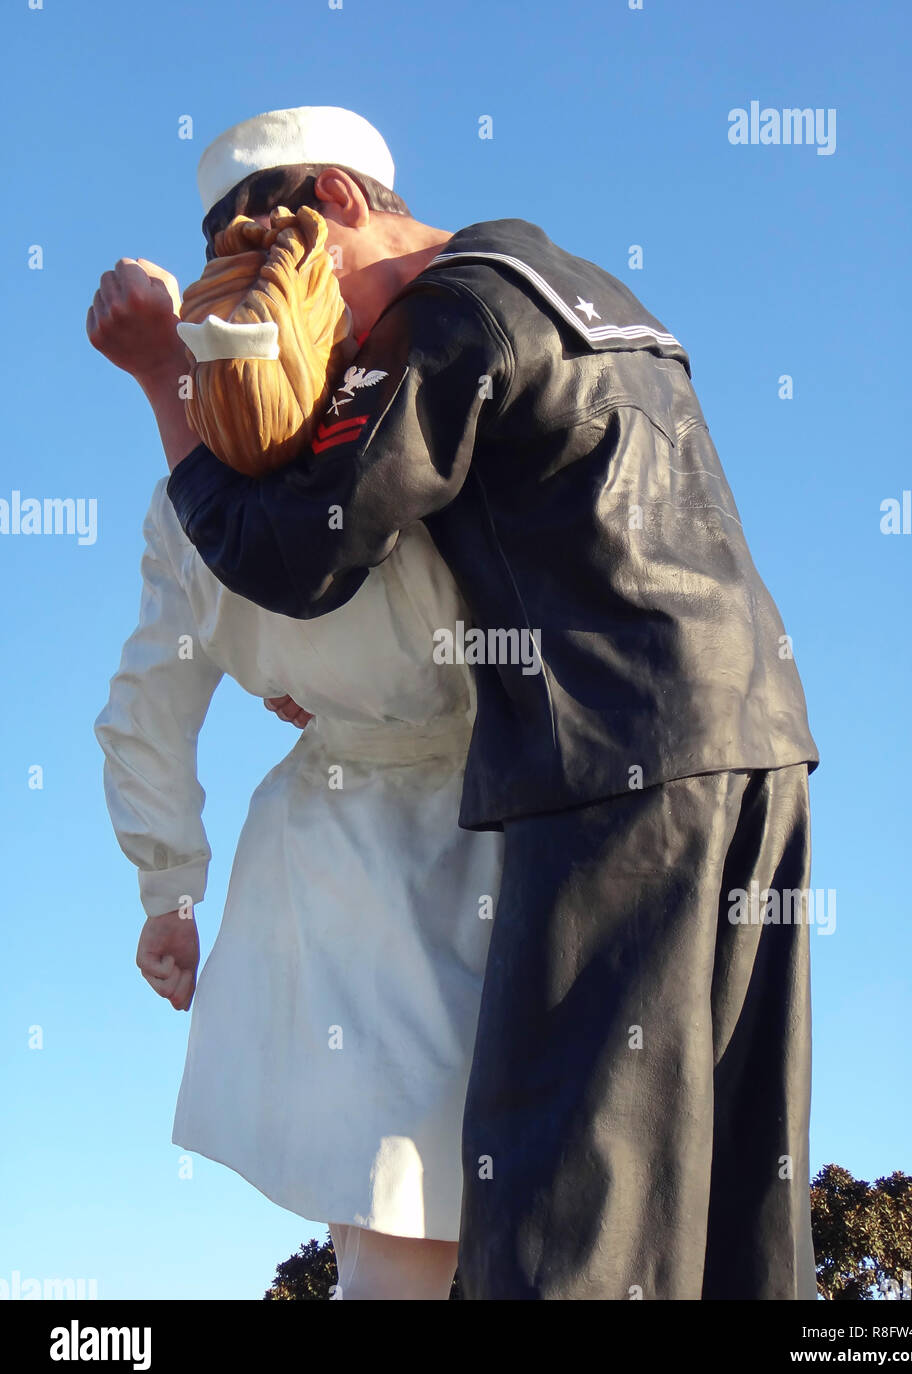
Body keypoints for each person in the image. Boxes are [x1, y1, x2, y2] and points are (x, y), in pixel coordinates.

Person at [119, 105, 822, 1300]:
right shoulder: (581, 285)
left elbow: (303, 550)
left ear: (340, 204)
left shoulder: (446, 320)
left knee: (568, 1204)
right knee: (735, 1196)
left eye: (305, 290)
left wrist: (171, 398)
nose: (318, 338)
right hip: (758, 747)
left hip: (607, 770)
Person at [88, 138, 505, 1301]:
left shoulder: (204, 488)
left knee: (409, 1224)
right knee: (429, 1210)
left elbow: (148, 705)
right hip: (457, 840)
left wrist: (168, 891)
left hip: (403, 850)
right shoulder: (425, 402)